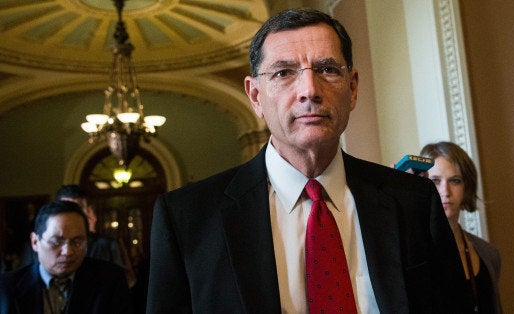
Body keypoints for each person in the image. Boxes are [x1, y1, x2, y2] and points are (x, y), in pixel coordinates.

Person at [147, 8, 470, 313]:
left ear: (353, 88)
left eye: (328, 70)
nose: (309, 90)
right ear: (256, 96)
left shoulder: (413, 202)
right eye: (284, 72)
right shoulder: (188, 219)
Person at [0, 200, 133, 314]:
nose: (68, 252)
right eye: (56, 241)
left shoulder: (110, 281)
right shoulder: (6, 288)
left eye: (77, 242)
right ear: (35, 242)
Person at [420, 141, 503, 314]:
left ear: (467, 187)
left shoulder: (489, 254)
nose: (445, 191)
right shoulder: (413, 253)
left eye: (455, 181)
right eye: (435, 181)